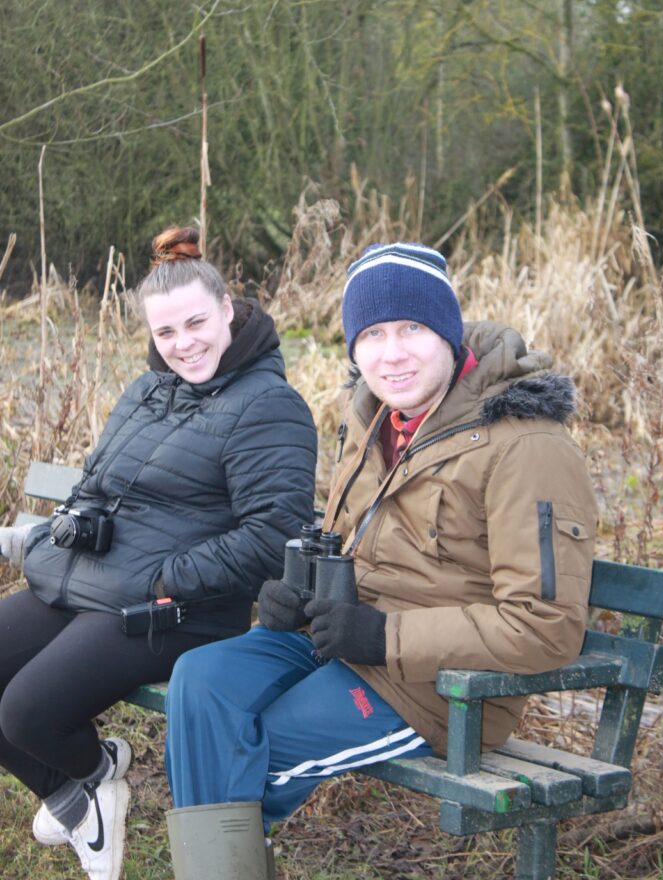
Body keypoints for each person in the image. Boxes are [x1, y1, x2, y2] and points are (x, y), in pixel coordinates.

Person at [163, 241, 598, 880]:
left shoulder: (525, 445)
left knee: (247, 750)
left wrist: (384, 635)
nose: (390, 354)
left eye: (412, 329)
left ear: (448, 333)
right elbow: (352, 540)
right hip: (343, 640)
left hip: (437, 686)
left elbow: (545, 625)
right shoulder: (371, 419)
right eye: (371, 335)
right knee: (198, 680)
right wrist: (290, 592)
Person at [0, 225, 317, 880]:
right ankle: (84, 791)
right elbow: (93, 482)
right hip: (94, 579)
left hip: (176, 608)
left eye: (196, 323)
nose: (183, 345)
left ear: (229, 309)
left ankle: (95, 777)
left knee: (27, 711)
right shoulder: (148, 390)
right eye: (166, 333)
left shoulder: (270, 406)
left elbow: (270, 536)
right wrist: (70, 525)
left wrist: (164, 578)